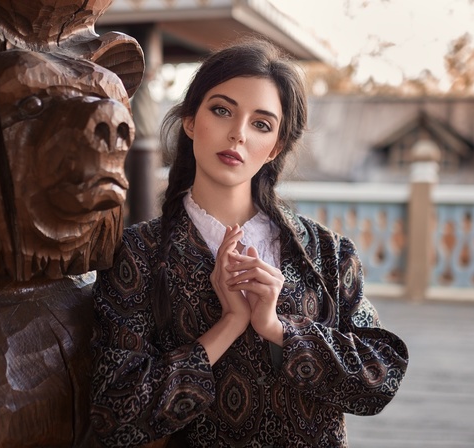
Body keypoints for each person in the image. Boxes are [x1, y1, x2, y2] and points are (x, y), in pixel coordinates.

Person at [90, 38, 409, 448]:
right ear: (190, 120)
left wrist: (278, 329)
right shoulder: (137, 253)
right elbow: (115, 414)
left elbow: (380, 378)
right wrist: (228, 325)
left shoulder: (326, 253)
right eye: (222, 110)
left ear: (275, 147)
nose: (237, 134)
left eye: (261, 124)